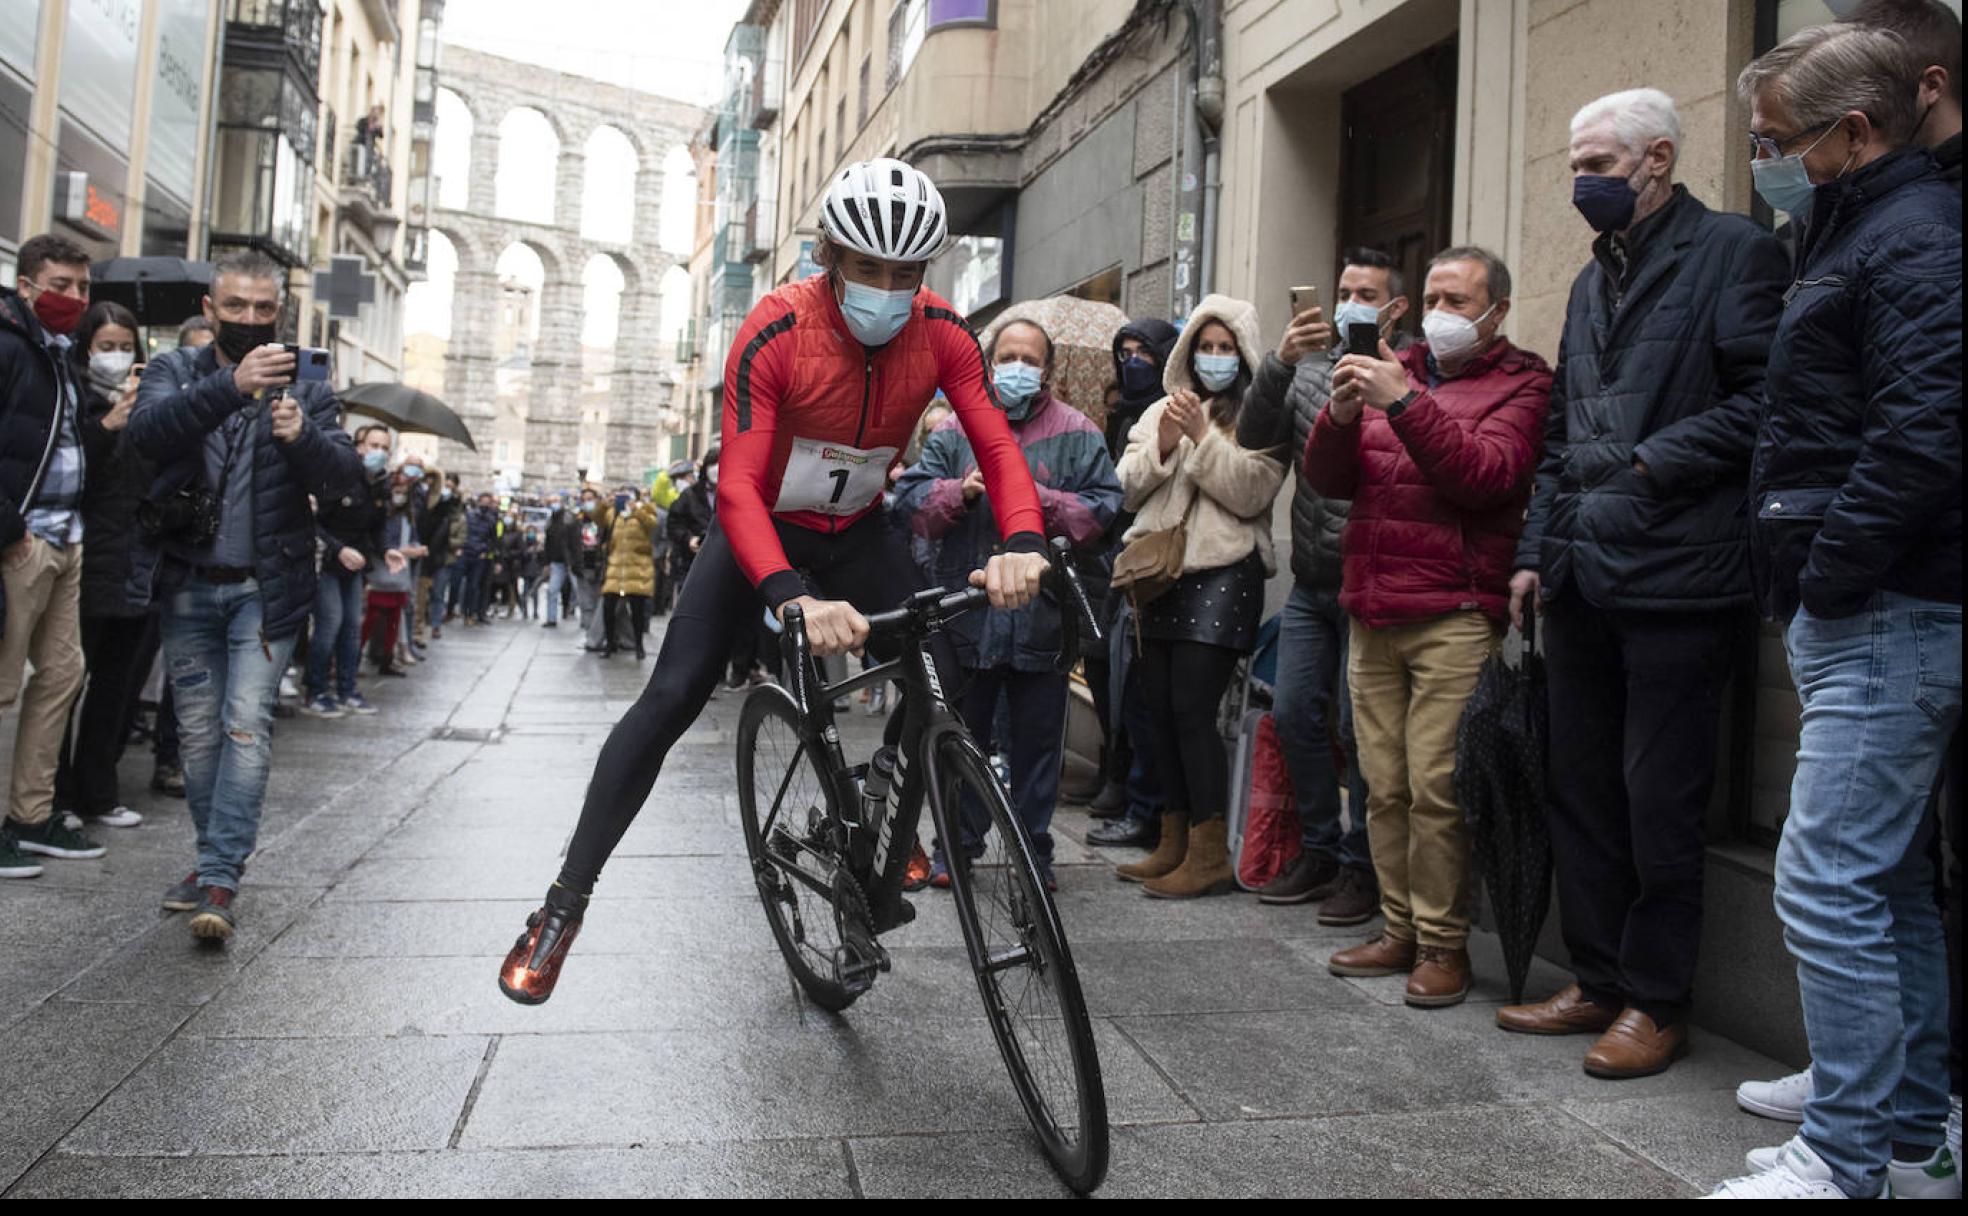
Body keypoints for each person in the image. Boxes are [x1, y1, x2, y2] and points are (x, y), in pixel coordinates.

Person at [501, 157, 1050, 1004]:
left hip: (859, 530)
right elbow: (737, 488)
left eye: (906, 274)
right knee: (673, 694)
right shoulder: (776, 327)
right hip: (762, 533)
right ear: (830, 256)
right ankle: (562, 905)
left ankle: (884, 809)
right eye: (868, 269)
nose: (888, 288)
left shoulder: (942, 332)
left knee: (951, 656)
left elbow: (999, 446)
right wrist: (789, 594)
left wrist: (1021, 539)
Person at [1707, 22, 1961, 1201]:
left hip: (1887, 609)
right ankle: (1906, 1132)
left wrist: (1830, 571)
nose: (1767, 162)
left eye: (1777, 143)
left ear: (1855, 133)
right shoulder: (1858, 227)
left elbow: (1924, 436)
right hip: (1872, 605)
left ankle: (1846, 1155)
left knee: (1824, 880)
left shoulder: (1910, 237)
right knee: (1888, 877)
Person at [1494, 88, 1789, 1079]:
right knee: (1583, 792)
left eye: (1601, 166)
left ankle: (1658, 1003)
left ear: (1658, 159)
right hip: (1584, 570)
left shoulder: (1736, 252)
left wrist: (1660, 461)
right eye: (1576, 165)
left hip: (1680, 574)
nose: (1584, 185)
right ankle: (1600, 978)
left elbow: (1766, 403)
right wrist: (1537, 550)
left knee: (1660, 798)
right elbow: (1564, 440)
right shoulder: (1590, 279)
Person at [1304, 246, 1551, 1008]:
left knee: (1438, 788)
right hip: (1373, 604)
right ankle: (1400, 927)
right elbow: (1327, 479)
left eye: (1457, 300)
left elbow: (1485, 478)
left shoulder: (1525, 384)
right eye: (1434, 297)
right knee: (1381, 785)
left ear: (1496, 312)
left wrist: (1403, 402)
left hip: (1452, 611)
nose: (1441, 313)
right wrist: (1342, 416)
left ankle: (1445, 944)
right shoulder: (1393, 362)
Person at [127, 249, 363, 938]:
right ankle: (211, 864)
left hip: (269, 587)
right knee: (198, 735)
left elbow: (345, 477)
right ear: (209, 309)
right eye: (236, 308)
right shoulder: (176, 370)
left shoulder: (307, 386)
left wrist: (303, 438)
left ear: (280, 314)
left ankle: (220, 880)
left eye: (264, 310)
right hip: (188, 583)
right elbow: (145, 437)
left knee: (244, 724)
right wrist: (231, 384)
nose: (251, 319)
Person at [896, 317, 1121, 892]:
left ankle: (1032, 853)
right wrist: (958, 491)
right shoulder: (953, 432)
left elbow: (1101, 511)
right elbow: (912, 502)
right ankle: (956, 848)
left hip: (1040, 619)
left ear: (1046, 368)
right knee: (961, 741)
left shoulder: (1078, 432)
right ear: (991, 361)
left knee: (1036, 749)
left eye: (1030, 358)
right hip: (967, 615)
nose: (1018, 367)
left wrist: (1031, 496)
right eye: (1009, 356)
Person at [1235, 250, 1409, 922]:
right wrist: (1279, 360)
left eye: (1367, 293)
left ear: (1395, 308)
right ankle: (1320, 848)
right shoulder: (1308, 366)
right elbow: (1253, 433)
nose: (1351, 304)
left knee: (1356, 727)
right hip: (1312, 582)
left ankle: (1363, 868)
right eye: (1344, 291)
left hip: (1371, 583)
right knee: (1293, 713)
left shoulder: (1409, 371)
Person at [1112, 294, 1289, 899]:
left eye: (1225, 348)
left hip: (1223, 574)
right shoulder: (1163, 407)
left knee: (1192, 710)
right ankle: (1175, 840)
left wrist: (1202, 438)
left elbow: (1250, 492)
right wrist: (1163, 442)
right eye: (1205, 347)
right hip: (1159, 574)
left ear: (1243, 355)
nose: (1214, 358)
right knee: (1157, 712)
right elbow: (1128, 488)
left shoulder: (1262, 413)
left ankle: (1210, 851)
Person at [0, 234, 103, 879]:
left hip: (66, 539)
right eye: (60, 285)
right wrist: (10, 530)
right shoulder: (10, 347)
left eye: (82, 288)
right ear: (27, 285)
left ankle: (29, 816)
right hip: (24, 543)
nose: (73, 299)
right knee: (4, 683)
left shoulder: (61, 357)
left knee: (63, 676)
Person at [54, 301, 154, 830]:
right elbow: (71, 473)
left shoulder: (147, 401)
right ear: (86, 347)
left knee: (117, 683)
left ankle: (100, 788)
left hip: (134, 560)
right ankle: (59, 793)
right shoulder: (73, 399)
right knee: (69, 681)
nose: (116, 358)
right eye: (106, 346)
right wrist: (109, 424)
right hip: (85, 557)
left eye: (125, 348)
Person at [1083, 318, 1180, 851]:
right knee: (1110, 680)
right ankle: (1118, 777)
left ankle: (1143, 800)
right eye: (1125, 351)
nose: (1134, 360)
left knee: (1141, 690)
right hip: (1108, 564)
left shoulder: (1168, 410)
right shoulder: (1119, 415)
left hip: (1147, 565)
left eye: (1145, 351)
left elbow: (1126, 492)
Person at [150, 316, 218, 799]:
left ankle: (175, 760)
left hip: (205, 554)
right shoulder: (167, 403)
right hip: (162, 550)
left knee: (189, 677)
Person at [303, 424, 403, 716]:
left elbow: (378, 526)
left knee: (351, 627)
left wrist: (386, 550)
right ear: (359, 446)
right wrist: (339, 549)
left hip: (355, 565)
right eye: (374, 445)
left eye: (385, 448)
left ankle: (347, 689)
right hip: (329, 562)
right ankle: (316, 690)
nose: (379, 453)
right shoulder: (340, 476)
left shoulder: (381, 483)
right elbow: (314, 522)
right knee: (330, 624)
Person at [599, 486, 658, 659]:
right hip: (615, 568)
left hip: (637, 569)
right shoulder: (614, 514)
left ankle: (639, 645)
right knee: (608, 607)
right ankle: (610, 643)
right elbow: (597, 520)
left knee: (637, 610)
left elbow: (652, 524)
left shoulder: (645, 510)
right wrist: (604, 505)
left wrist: (636, 510)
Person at [421, 471, 462, 635]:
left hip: (444, 557)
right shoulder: (431, 507)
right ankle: (423, 622)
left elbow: (461, 537)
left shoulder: (457, 515)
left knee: (438, 592)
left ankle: (436, 624)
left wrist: (448, 543)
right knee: (424, 593)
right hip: (428, 555)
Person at [541, 493, 572, 628]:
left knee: (578, 591)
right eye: (552, 501)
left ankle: (586, 621)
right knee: (552, 590)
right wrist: (546, 562)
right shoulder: (550, 520)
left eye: (556, 501)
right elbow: (547, 543)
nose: (554, 504)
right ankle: (551, 618)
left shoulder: (568, 518)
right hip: (557, 561)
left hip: (571, 561)